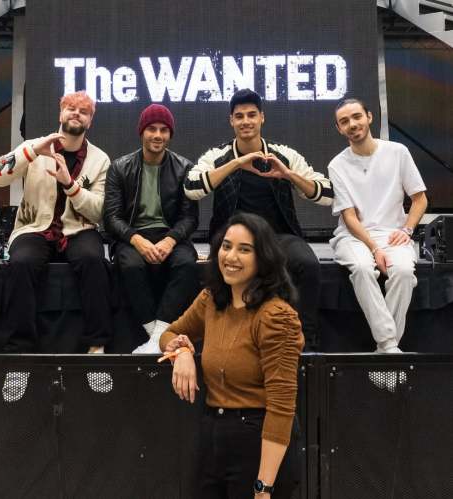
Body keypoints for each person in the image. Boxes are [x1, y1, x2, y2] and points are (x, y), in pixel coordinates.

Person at [159, 212, 304, 498]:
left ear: (263, 258)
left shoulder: (277, 317)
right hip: (212, 438)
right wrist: (183, 351)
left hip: (258, 442)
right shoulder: (212, 299)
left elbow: (281, 407)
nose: (231, 256)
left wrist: (263, 488)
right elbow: (170, 333)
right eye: (226, 246)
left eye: (244, 250)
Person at [184, 88, 332, 351]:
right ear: (231, 120)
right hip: (232, 239)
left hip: (278, 237)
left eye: (252, 115)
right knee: (217, 272)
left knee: (308, 264)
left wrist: (288, 175)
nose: (246, 121)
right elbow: (191, 188)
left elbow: (327, 195)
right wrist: (236, 163)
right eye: (239, 116)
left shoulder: (283, 154)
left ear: (262, 117)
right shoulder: (218, 155)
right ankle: (220, 346)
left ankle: (306, 344)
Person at [0, 90, 112, 354]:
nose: (76, 114)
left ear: (90, 121)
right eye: (71, 108)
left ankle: (96, 345)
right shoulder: (35, 146)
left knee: (93, 260)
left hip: (79, 229)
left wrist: (71, 186)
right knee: (21, 262)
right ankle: (20, 349)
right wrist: (31, 152)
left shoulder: (99, 159)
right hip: (35, 227)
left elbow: (99, 211)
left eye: (84, 112)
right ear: (60, 114)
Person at [328, 98, 428, 353]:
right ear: (339, 129)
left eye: (356, 117)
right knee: (362, 268)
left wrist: (406, 230)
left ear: (369, 117)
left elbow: (420, 199)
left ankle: (384, 350)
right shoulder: (337, 165)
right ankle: (389, 345)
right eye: (344, 121)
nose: (352, 124)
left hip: (393, 234)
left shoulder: (397, 152)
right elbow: (349, 217)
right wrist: (374, 248)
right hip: (353, 237)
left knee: (403, 272)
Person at [104, 104, 200, 354]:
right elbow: (111, 218)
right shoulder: (119, 167)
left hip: (171, 235)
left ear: (170, 134)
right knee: (131, 266)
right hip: (132, 235)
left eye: (163, 130)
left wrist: (170, 240)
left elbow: (190, 218)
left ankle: (156, 340)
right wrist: (137, 240)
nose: (157, 135)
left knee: (187, 264)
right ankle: (157, 337)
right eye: (152, 129)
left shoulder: (185, 168)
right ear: (142, 132)